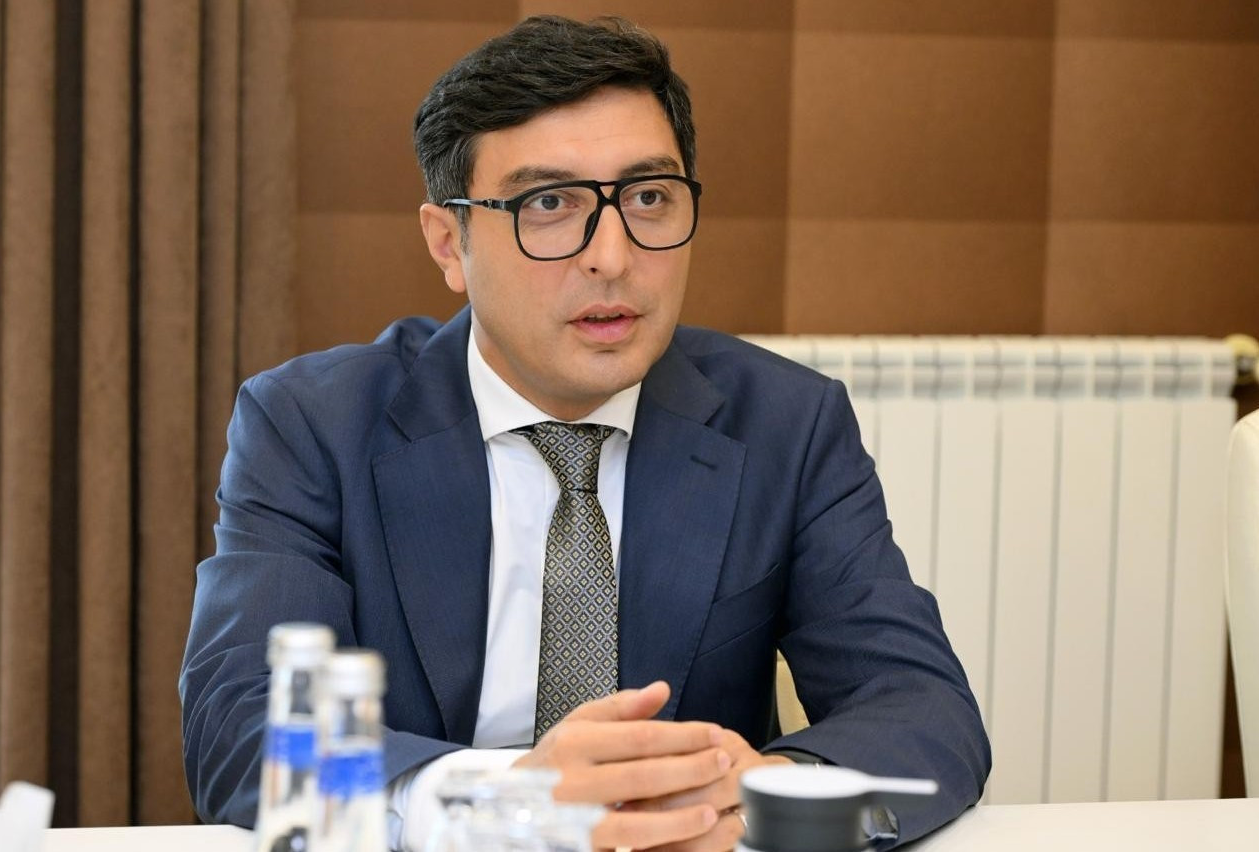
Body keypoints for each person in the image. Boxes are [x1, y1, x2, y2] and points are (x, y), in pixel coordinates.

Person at [180, 15, 990, 851]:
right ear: (449, 243)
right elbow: (242, 724)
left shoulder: (786, 425)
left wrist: (759, 799)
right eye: (550, 204)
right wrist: (495, 805)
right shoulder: (313, 425)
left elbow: (923, 711)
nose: (612, 256)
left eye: (648, 198)